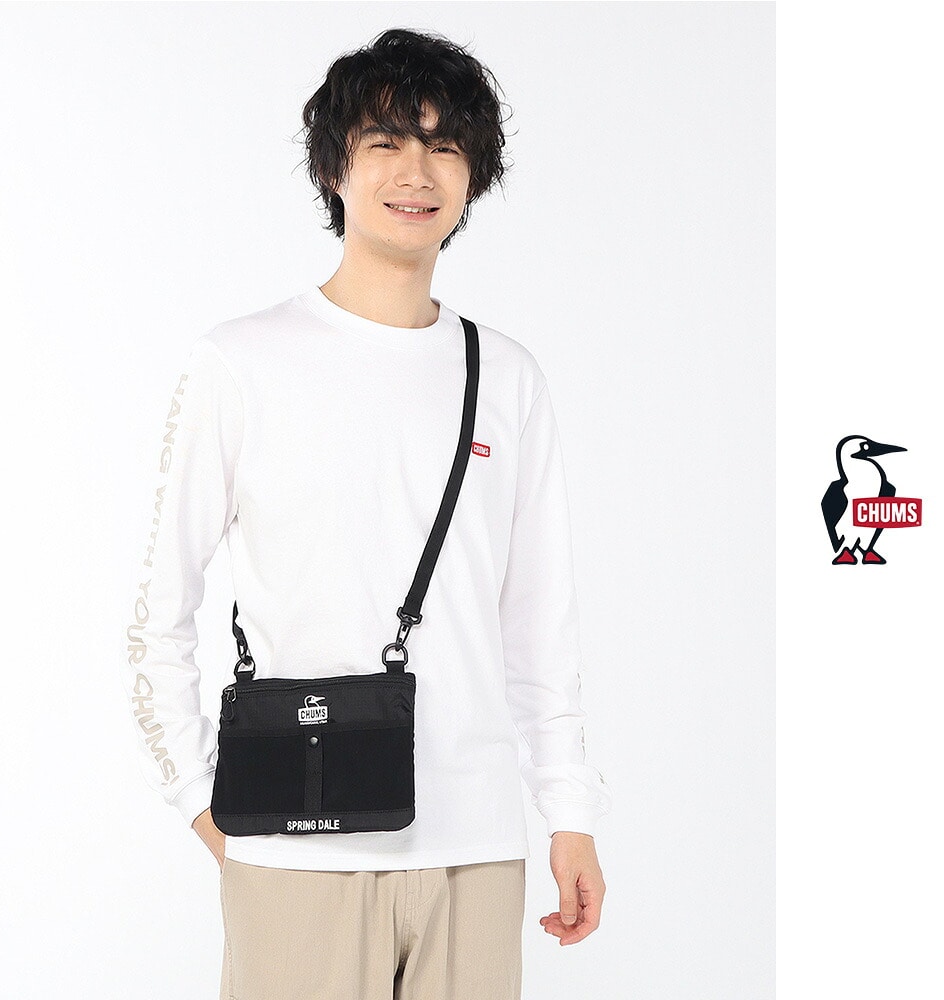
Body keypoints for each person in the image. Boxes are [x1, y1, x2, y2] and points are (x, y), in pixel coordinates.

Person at [123, 27, 612, 1000]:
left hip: (476, 850)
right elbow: (155, 615)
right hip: (296, 846)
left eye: (444, 145)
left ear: (473, 175)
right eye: (385, 141)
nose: (415, 171)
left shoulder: (505, 377)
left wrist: (569, 813)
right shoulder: (240, 362)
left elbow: (537, 626)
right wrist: (203, 802)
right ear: (333, 167)